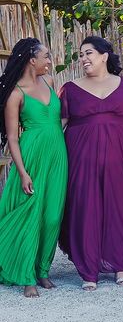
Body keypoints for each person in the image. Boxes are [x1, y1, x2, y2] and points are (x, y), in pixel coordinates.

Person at [59, 36, 123, 291]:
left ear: (104, 56)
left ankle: (120, 265)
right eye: (81, 55)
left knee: (119, 207)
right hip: (81, 157)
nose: (83, 59)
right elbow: (58, 126)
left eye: (88, 53)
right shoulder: (70, 89)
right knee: (86, 208)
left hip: (121, 157)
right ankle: (88, 269)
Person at [0, 38, 67, 297]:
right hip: (31, 157)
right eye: (46, 56)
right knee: (30, 214)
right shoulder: (16, 93)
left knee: (52, 216)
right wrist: (23, 172)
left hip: (58, 155)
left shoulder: (50, 83)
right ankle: (27, 276)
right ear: (31, 59)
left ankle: (43, 270)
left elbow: (58, 119)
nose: (50, 61)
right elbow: (13, 138)